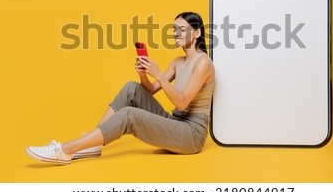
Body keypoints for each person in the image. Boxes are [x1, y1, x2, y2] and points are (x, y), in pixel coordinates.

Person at [26, 11, 215, 164]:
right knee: (132, 88)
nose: (176, 33)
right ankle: (92, 145)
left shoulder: (203, 63)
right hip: (175, 123)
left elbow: (182, 103)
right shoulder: (177, 62)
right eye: (175, 29)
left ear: (197, 33)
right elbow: (149, 91)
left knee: (129, 114)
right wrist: (143, 73)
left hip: (191, 135)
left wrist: (157, 73)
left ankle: (66, 149)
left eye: (182, 29)